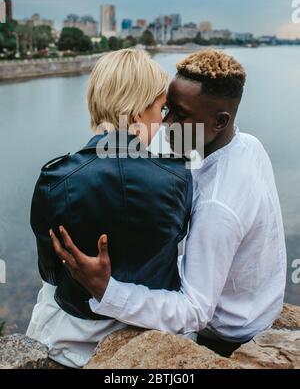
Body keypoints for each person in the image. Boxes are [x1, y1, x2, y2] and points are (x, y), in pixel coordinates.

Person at [51, 49, 287, 357]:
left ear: (219, 121)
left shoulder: (217, 207)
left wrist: (107, 290)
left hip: (226, 331)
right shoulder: (245, 144)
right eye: (167, 110)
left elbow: (196, 311)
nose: (167, 124)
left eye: (181, 115)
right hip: (258, 304)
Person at [27, 49, 193, 368]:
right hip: (151, 333)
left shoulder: (53, 179)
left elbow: (49, 271)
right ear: (139, 109)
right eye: (160, 108)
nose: (162, 120)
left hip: (72, 336)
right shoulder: (179, 178)